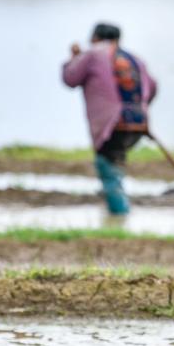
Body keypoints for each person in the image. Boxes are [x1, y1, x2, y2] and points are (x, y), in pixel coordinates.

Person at [62, 23, 157, 215]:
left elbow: (70, 78)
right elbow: (153, 86)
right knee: (116, 160)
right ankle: (116, 207)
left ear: (95, 38)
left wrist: (73, 59)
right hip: (138, 121)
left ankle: (119, 214)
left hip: (110, 122)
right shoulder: (135, 59)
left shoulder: (92, 55)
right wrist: (141, 108)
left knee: (106, 164)